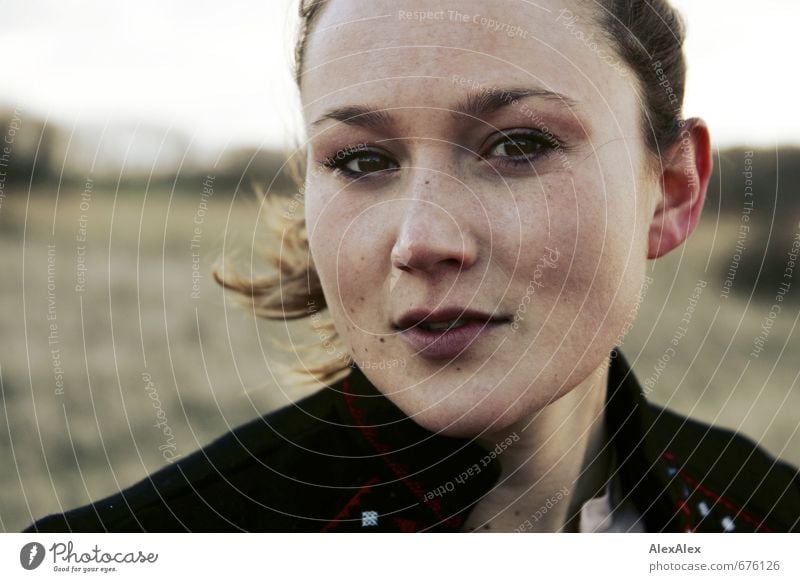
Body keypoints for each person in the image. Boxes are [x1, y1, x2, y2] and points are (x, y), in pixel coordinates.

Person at [25, 0, 800, 533]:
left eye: (518, 144)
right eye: (361, 160)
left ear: (669, 191)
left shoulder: (771, 515)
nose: (421, 240)